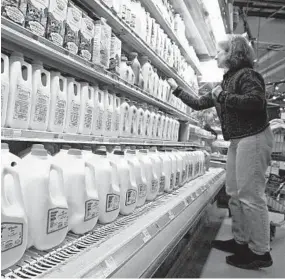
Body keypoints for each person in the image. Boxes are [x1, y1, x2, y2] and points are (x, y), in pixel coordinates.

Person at [168, 34, 274, 270]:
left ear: (233, 54)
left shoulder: (247, 75)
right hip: (240, 140)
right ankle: (241, 241)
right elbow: (198, 103)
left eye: (220, 51)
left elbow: (256, 102)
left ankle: (260, 251)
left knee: (250, 195)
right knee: (235, 193)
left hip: (254, 137)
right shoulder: (226, 81)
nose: (216, 54)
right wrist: (176, 90)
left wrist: (223, 96)